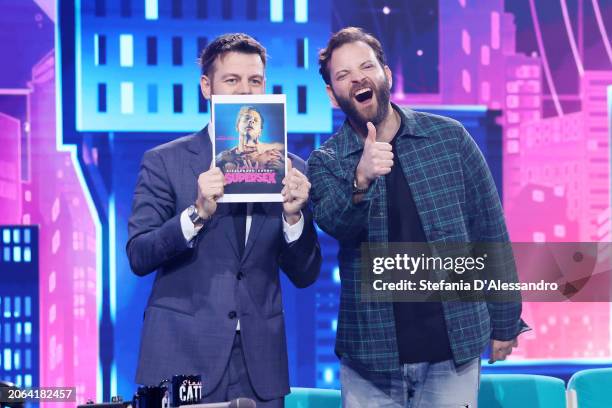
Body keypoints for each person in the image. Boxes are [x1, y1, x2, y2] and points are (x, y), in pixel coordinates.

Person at [308, 27, 528, 407]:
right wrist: (361, 180)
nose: (358, 78)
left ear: (387, 76)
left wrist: (506, 320)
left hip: (452, 349)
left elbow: (489, 230)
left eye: (366, 66)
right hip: (370, 359)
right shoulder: (325, 162)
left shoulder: (449, 138)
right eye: (343, 75)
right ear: (332, 94)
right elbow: (333, 222)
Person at [126, 33, 321, 408]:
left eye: (255, 81)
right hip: (181, 354)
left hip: (259, 364)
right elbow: (139, 255)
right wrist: (196, 214)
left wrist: (294, 216)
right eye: (232, 80)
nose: (245, 92)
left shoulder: (292, 169)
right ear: (207, 87)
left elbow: (306, 273)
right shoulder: (165, 161)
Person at [216, 106, 284, 171]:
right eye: (246, 118)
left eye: (256, 120)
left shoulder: (273, 154)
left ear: (260, 131)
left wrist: (284, 170)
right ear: (237, 126)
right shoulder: (225, 159)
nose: (251, 121)